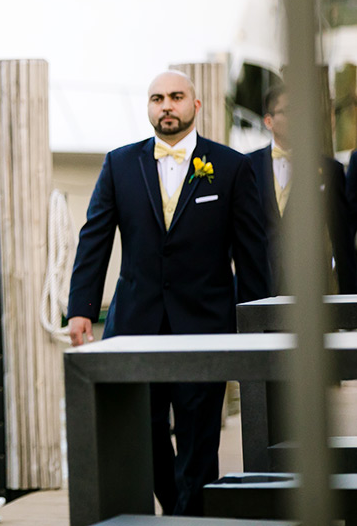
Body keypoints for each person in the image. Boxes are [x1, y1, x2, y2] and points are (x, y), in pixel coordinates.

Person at [67, 70, 270, 516]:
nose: (166, 105)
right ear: (148, 107)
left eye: (176, 97)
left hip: (205, 325)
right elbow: (95, 238)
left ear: (195, 105)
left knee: (200, 435)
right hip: (136, 325)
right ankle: (178, 509)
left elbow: (252, 255)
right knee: (144, 429)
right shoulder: (119, 164)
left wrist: (257, 326)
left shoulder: (232, 167)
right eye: (157, 98)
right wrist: (81, 308)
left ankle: (188, 518)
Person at [248, 84, 356, 295]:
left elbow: (342, 241)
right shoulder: (247, 166)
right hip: (260, 285)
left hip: (311, 290)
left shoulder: (328, 169)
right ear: (268, 121)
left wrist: (349, 299)